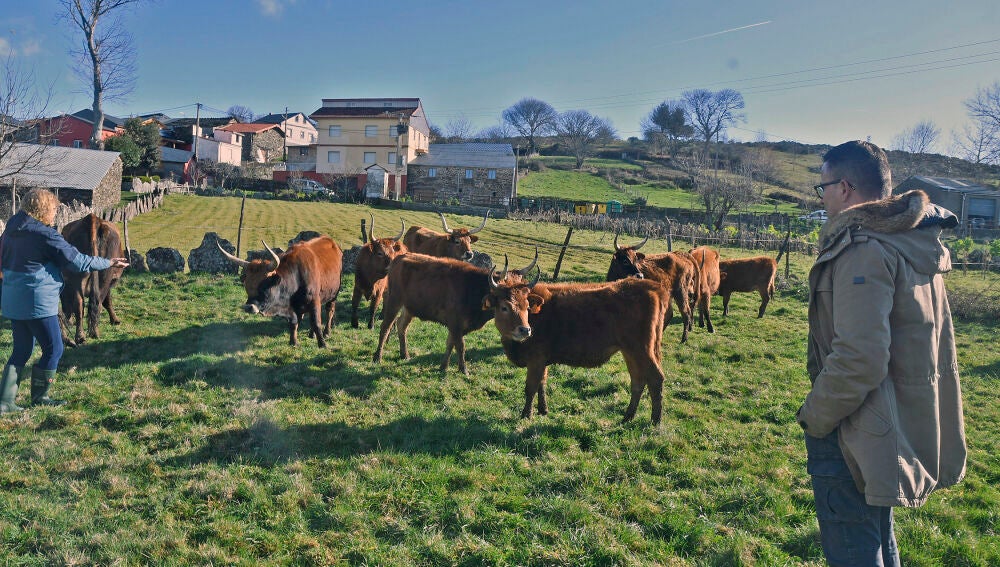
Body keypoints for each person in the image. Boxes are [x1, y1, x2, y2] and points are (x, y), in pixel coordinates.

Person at [796, 140, 967, 565]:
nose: (823, 197)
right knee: (876, 534)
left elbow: (859, 358)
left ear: (845, 187)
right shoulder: (909, 239)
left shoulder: (864, 249)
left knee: (854, 546)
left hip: (856, 422)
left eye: (824, 187)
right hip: (896, 419)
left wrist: (815, 416)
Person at [0, 188, 129, 414]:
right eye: (53, 209)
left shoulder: (12, 227)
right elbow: (77, 261)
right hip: (38, 300)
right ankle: (41, 396)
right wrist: (108, 263)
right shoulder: (45, 235)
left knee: (21, 349)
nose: (54, 214)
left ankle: (5, 401)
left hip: (12, 298)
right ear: (43, 209)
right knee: (54, 348)